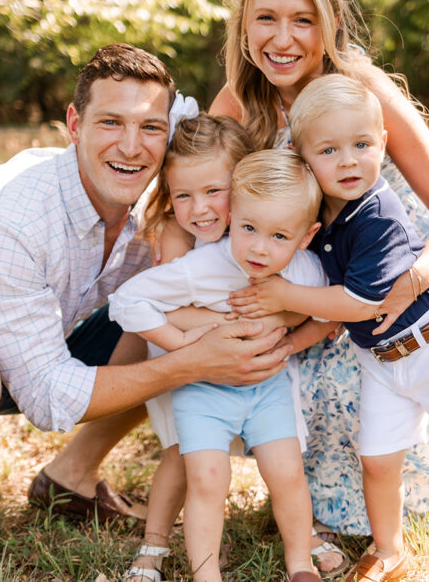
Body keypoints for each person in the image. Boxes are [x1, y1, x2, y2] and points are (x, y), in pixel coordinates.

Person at [0, 44, 290, 582]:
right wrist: (195, 361)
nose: (132, 146)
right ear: (74, 124)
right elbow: (46, 396)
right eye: (111, 122)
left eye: (151, 127)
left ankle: (70, 478)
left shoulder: (166, 194)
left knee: (155, 325)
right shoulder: (7, 216)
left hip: (45, 338)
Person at [210, 0, 429, 536]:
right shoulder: (241, 101)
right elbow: (199, 196)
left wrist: (413, 279)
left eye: (303, 20)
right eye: (265, 17)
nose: (282, 38)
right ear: (243, 25)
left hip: (400, 275)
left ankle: (390, 505)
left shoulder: (361, 86)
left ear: (332, 23)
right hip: (318, 273)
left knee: (379, 388)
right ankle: (307, 498)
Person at [231, 75, 429, 582]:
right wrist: (294, 339)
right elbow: (332, 316)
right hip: (384, 362)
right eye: (329, 150)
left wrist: (285, 296)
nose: (348, 160)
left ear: (383, 143)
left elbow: (360, 301)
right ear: (304, 159)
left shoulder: (378, 215)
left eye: (362, 145)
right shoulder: (323, 219)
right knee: (378, 460)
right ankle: (389, 549)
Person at [109, 149, 330, 582]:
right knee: (207, 480)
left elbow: (328, 316)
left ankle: (301, 563)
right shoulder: (205, 265)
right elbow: (127, 300)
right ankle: (205, 574)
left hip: (267, 388)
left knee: (287, 473)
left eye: (279, 237)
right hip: (204, 390)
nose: (260, 249)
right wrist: (184, 343)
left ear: (306, 236)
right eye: (248, 228)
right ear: (232, 218)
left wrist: (286, 341)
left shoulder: (306, 272)